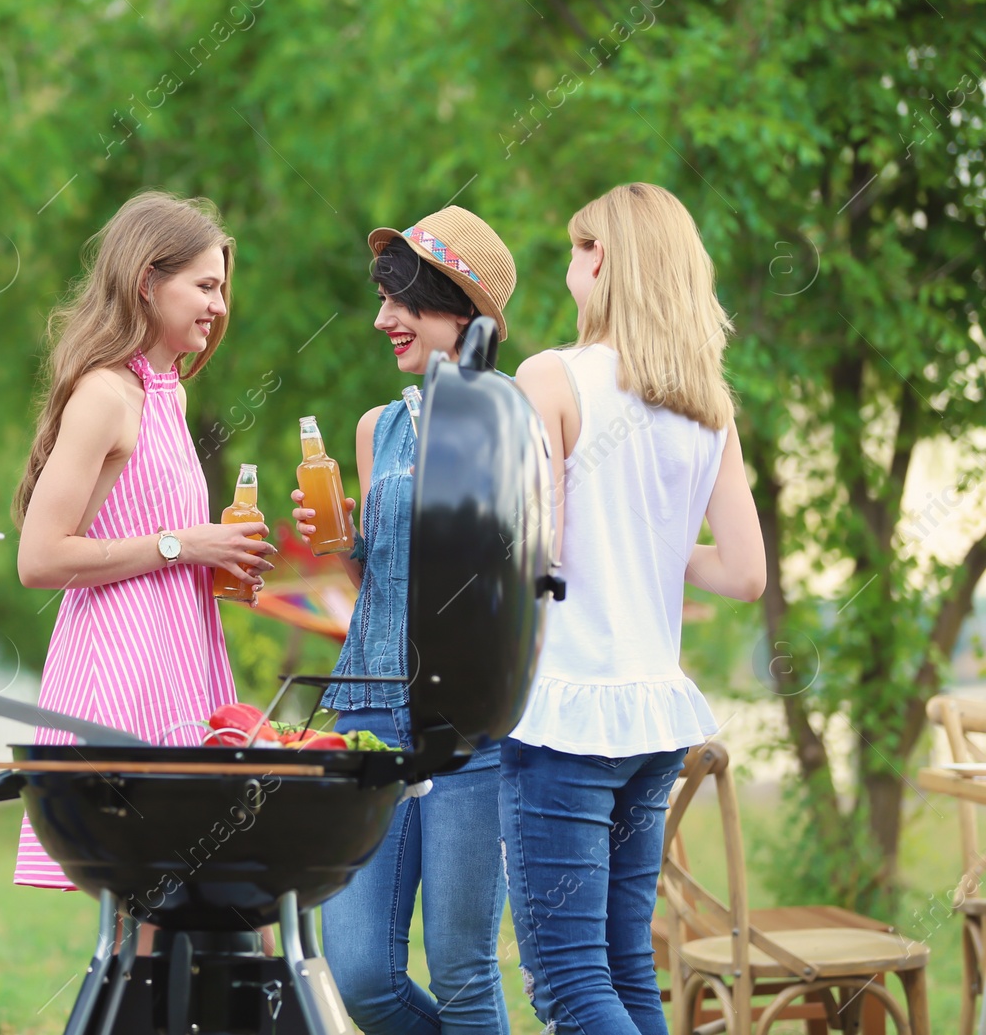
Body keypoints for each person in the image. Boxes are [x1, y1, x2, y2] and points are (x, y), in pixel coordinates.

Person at [503, 182, 766, 1035]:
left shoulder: (550, 376)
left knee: (572, 985)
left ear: (604, 259)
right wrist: (647, 544)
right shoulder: (706, 405)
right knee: (624, 972)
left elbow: (534, 551)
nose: (571, 267)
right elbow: (745, 572)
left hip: (566, 717)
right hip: (653, 719)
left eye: (579, 249)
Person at [12, 192, 277, 925]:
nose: (219, 306)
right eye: (205, 285)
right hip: (121, 669)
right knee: (149, 905)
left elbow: (152, 534)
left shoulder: (169, 396)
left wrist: (211, 564)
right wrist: (183, 545)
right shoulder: (105, 394)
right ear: (146, 281)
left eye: (221, 287)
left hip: (178, 656)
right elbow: (39, 556)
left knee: (181, 908)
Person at [293, 205, 519, 1035]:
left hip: (468, 721)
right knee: (357, 976)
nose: (383, 319)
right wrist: (345, 541)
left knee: (461, 973)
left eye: (404, 301)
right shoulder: (375, 427)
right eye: (383, 299)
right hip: (368, 708)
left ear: (462, 311)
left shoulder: (514, 419)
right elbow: (380, 576)